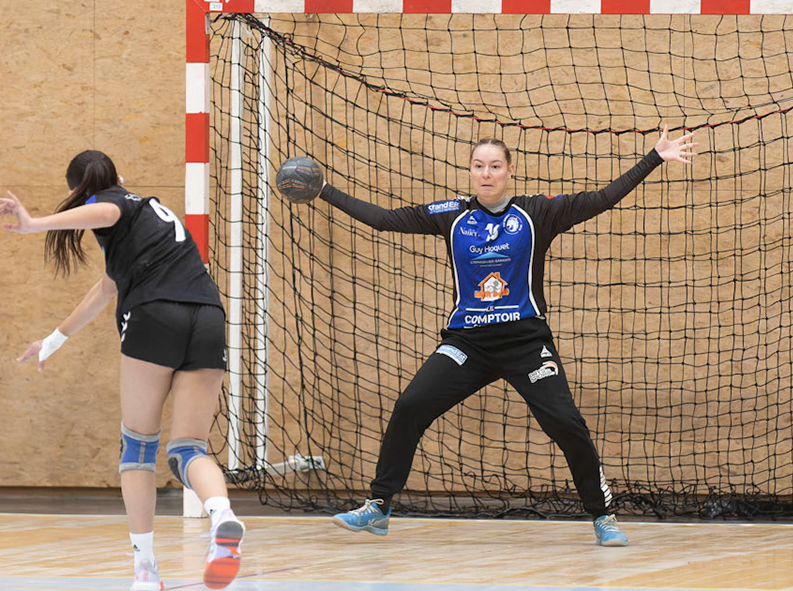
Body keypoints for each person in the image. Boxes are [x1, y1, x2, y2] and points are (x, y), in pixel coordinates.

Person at [290, 130, 698, 544]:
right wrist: (324, 190)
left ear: (509, 171)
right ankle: (378, 507)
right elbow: (383, 220)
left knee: (566, 424)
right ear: (470, 171)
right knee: (411, 405)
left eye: (495, 166)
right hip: (468, 344)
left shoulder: (537, 214)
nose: (486, 173)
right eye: (478, 166)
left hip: (525, 344)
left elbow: (604, 198)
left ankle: (604, 517)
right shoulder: (452, 215)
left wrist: (654, 158)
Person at [0, 151, 247, 591]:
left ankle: (145, 567)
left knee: (138, 448)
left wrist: (33, 224)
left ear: (79, 190)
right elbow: (107, 288)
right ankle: (222, 516)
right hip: (207, 317)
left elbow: (106, 209)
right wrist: (53, 340)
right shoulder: (149, 221)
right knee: (188, 449)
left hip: (155, 317)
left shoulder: (120, 203)